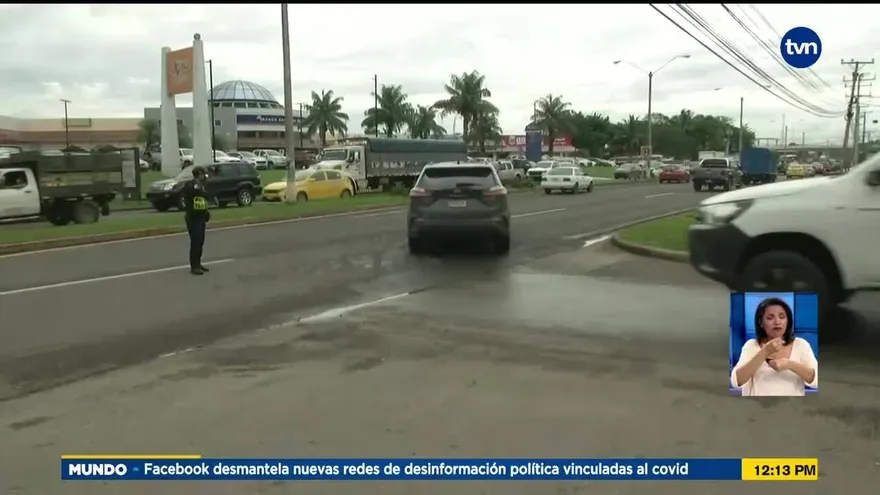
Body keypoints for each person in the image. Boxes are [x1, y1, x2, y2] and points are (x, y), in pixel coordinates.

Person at [731, 297, 818, 396]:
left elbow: (816, 381)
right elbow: (736, 381)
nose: (777, 322)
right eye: (770, 318)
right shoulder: (751, 346)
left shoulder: (801, 345)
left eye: (782, 317)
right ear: (761, 323)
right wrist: (765, 352)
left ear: (788, 321)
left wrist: (790, 364)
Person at [182, 166, 211, 275]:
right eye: (203, 174)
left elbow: (204, 198)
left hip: (201, 216)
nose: (205, 176)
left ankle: (198, 263)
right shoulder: (190, 185)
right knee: (195, 242)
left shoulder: (202, 185)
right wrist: (199, 186)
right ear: (199, 174)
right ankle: (194, 266)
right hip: (193, 217)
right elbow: (195, 193)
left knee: (200, 241)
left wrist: (206, 212)